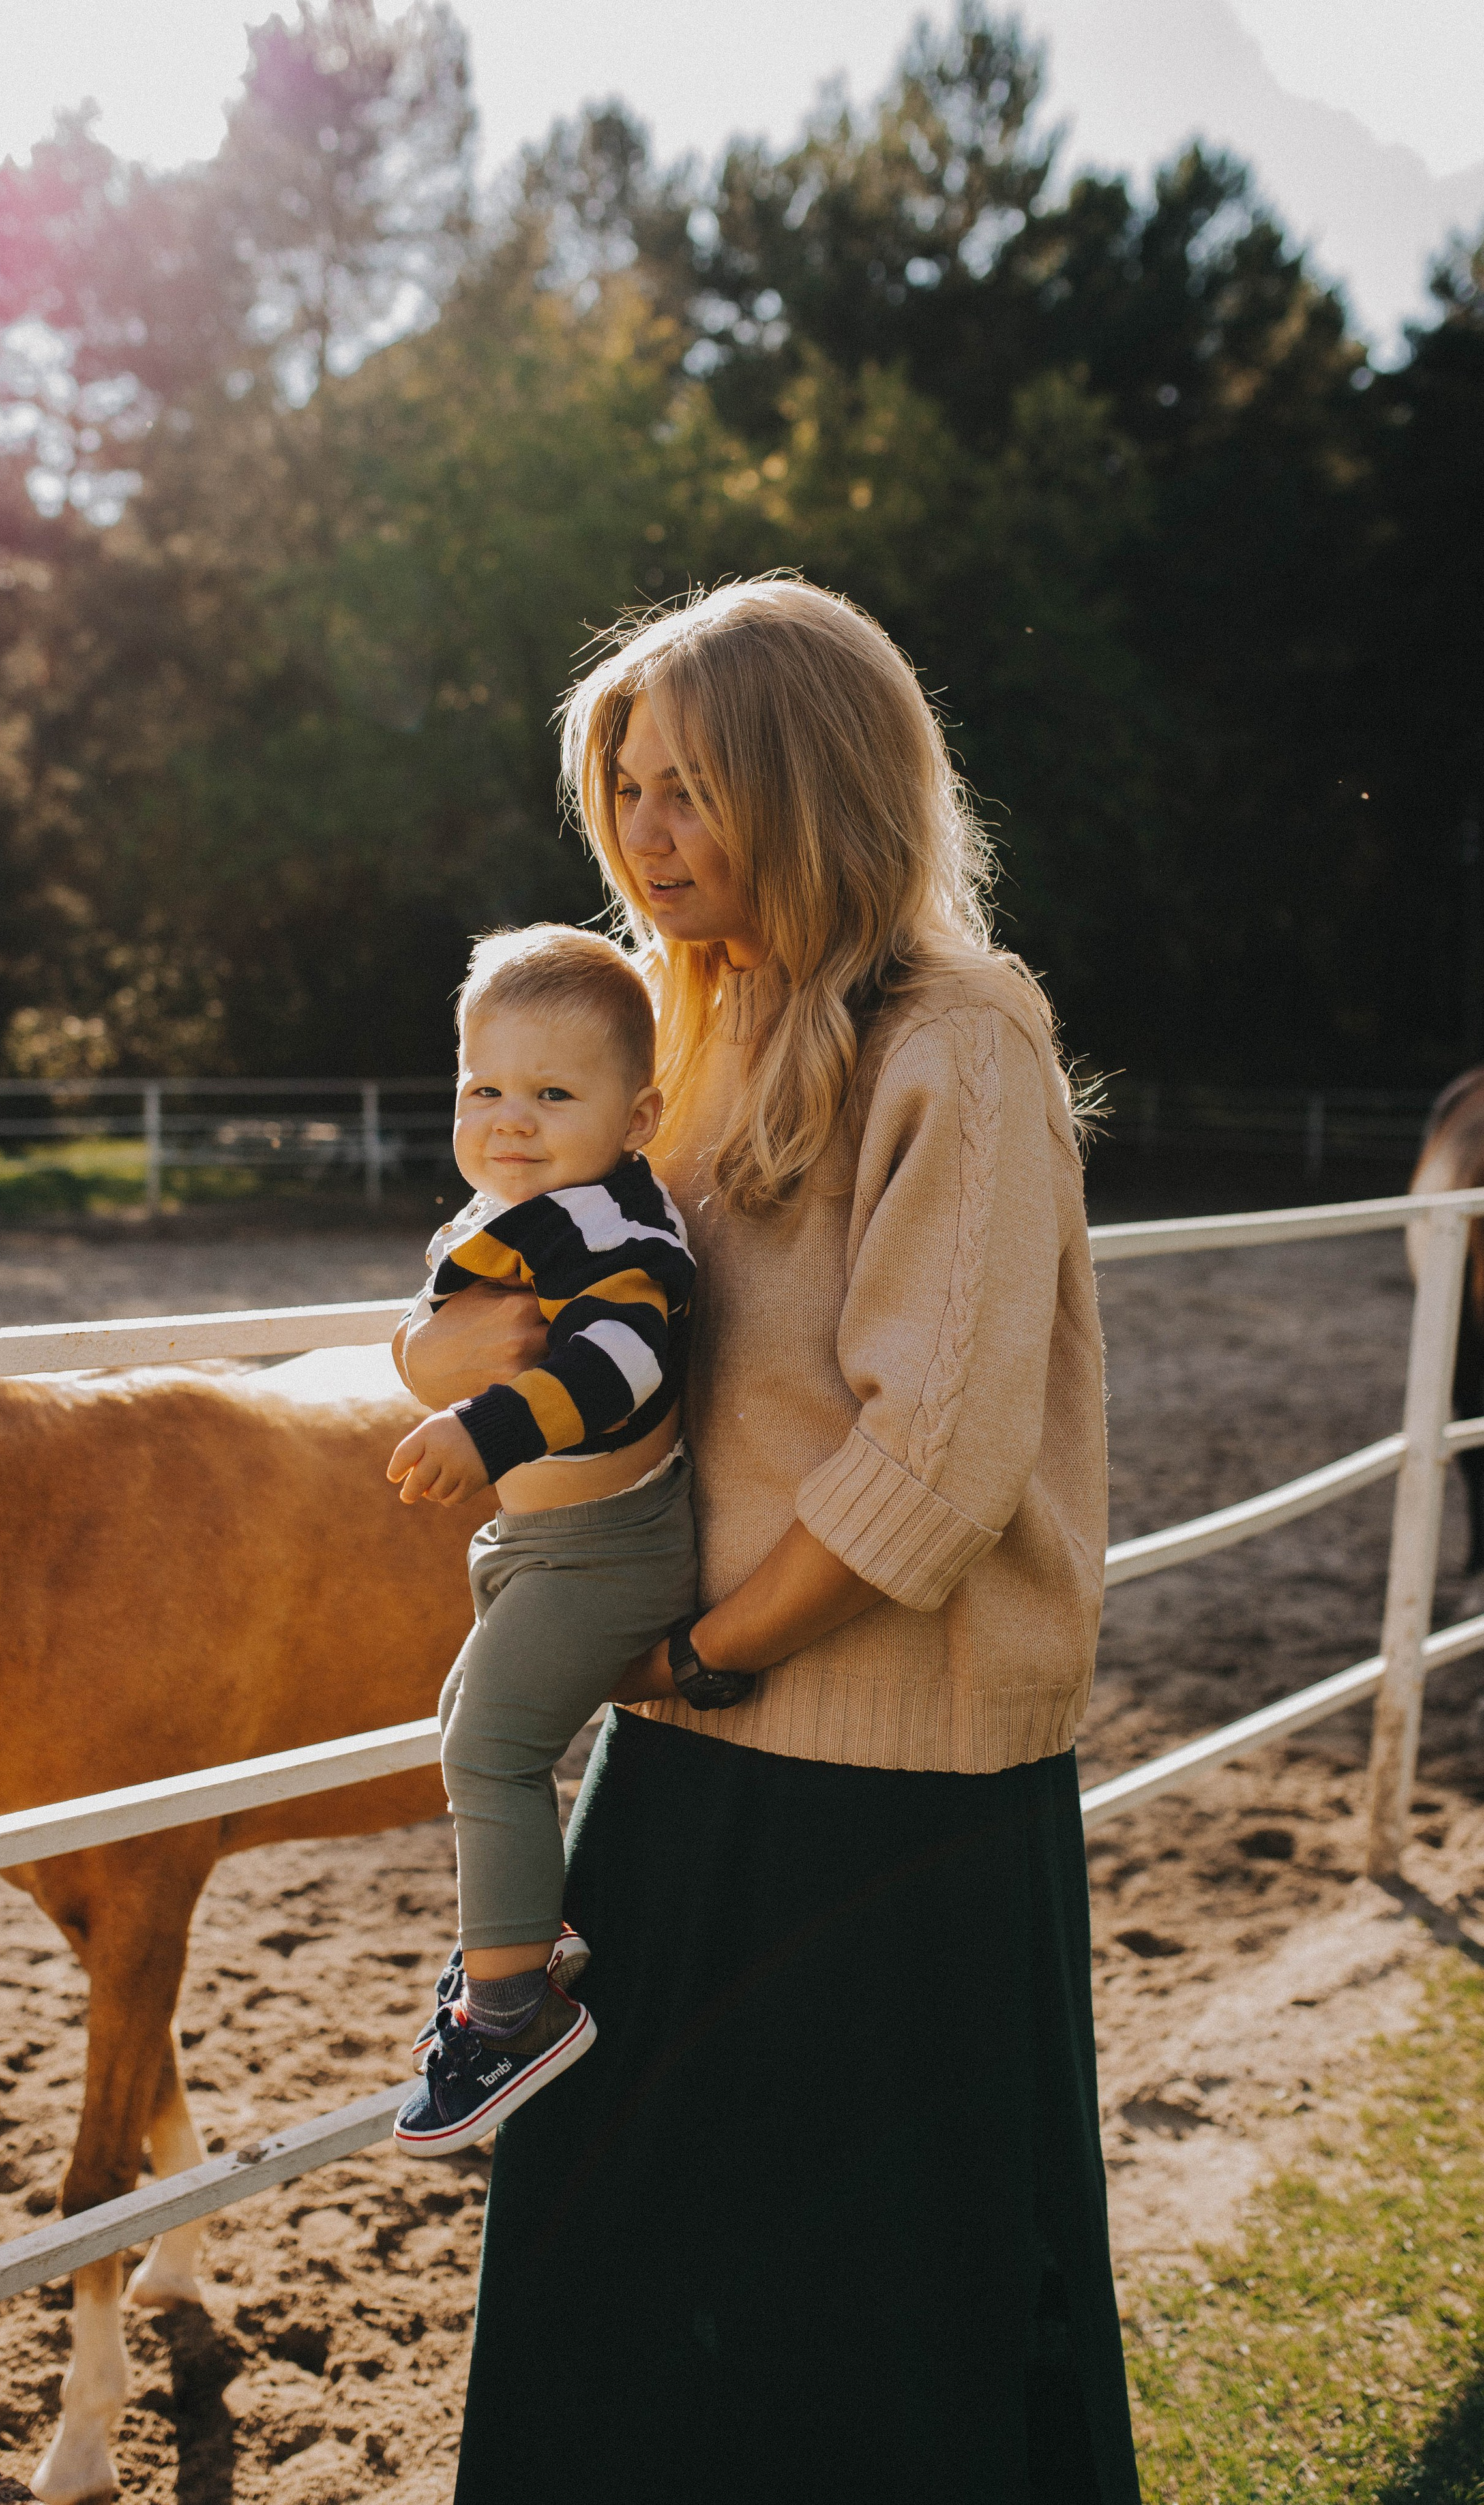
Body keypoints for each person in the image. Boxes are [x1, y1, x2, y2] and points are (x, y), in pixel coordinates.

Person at [396, 578, 1142, 2503]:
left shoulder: (957, 1043)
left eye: (693, 787)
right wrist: (464, 1349)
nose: (647, 836)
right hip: (699, 1731)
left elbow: (933, 1462)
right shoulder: (692, 1041)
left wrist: (711, 1644)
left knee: (870, 2308)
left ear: (818, 783)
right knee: (618, 2246)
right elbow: (582, 1303)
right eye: (627, 790)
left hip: (889, 1778)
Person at [388, 923, 715, 2157]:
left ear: (638, 1117)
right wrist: (423, 1353)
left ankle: (514, 2010)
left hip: (611, 1552)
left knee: (492, 1745)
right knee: (469, 1726)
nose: (509, 1120)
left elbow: (617, 1368)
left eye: (552, 1094)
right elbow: (442, 1308)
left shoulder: (624, 1234)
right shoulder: (533, 1208)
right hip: (542, 1548)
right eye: (485, 1088)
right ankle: (526, 1929)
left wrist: (484, 1428)